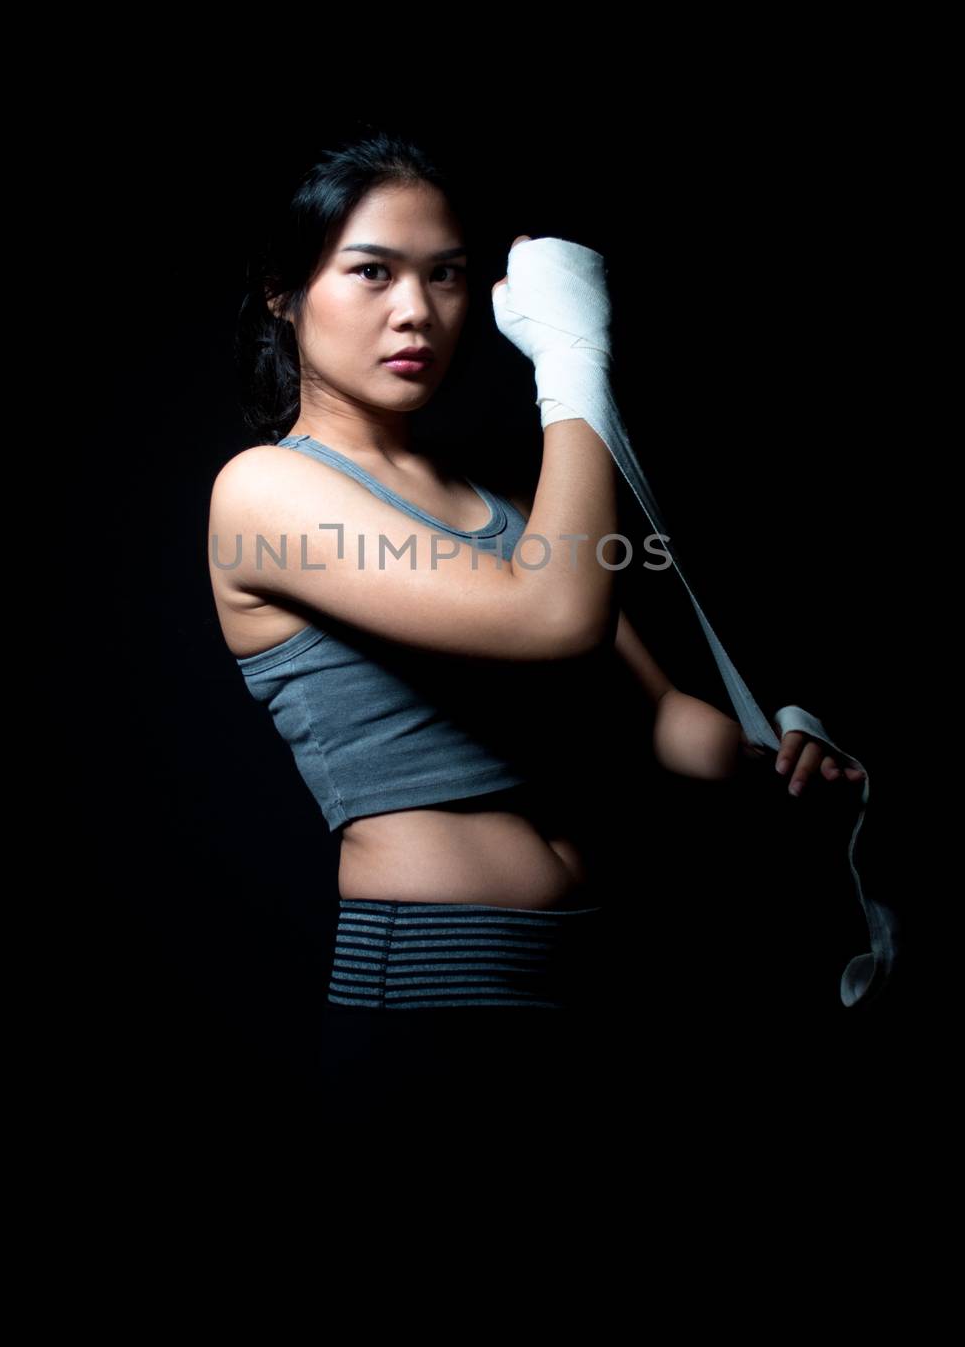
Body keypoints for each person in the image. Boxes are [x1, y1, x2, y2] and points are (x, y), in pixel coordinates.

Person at [206, 130, 868, 1150]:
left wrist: (779, 759)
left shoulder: (508, 502)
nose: (415, 311)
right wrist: (572, 360)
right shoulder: (265, 489)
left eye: (447, 276)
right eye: (371, 272)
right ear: (281, 292)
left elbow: (658, 724)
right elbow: (553, 617)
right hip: (430, 994)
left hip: (587, 977)